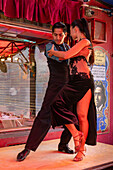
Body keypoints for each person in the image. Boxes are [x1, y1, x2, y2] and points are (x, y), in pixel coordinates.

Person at [17, 22, 76, 162]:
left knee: (73, 116)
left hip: (69, 86)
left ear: (65, 35)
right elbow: (62, 57)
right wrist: (73, 53)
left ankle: (63, 145)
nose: (57, 37)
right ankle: (28, 148)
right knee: (44, 115)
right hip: (55, 86)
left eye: (60, 34)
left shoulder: (68, 47)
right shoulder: (50, 47)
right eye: (55, 34)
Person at [48, 18, 97, 161]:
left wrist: (52, 52)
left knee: (82, 116)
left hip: (84, 80)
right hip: (75, 81)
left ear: (76, 29)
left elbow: (65, 55)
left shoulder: (85, 42)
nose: (70, 33)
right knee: (57, 104)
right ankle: (76, 135)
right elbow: (67, 56)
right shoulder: (78, 45)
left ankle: (81, 149)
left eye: (70, 30)